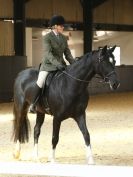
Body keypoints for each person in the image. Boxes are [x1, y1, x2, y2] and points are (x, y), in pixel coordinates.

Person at [29, 15, 75, 113]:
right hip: (48, 65)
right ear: (55, 26)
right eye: (61, 26)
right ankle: (33, 104)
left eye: (63, 26)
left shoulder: (63, 38)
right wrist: (57, 64)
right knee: (40, 81)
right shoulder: (47, 37)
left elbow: (67, 53)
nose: (63, 27)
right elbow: (48, 54)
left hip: (61, 65)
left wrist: (74, 63)